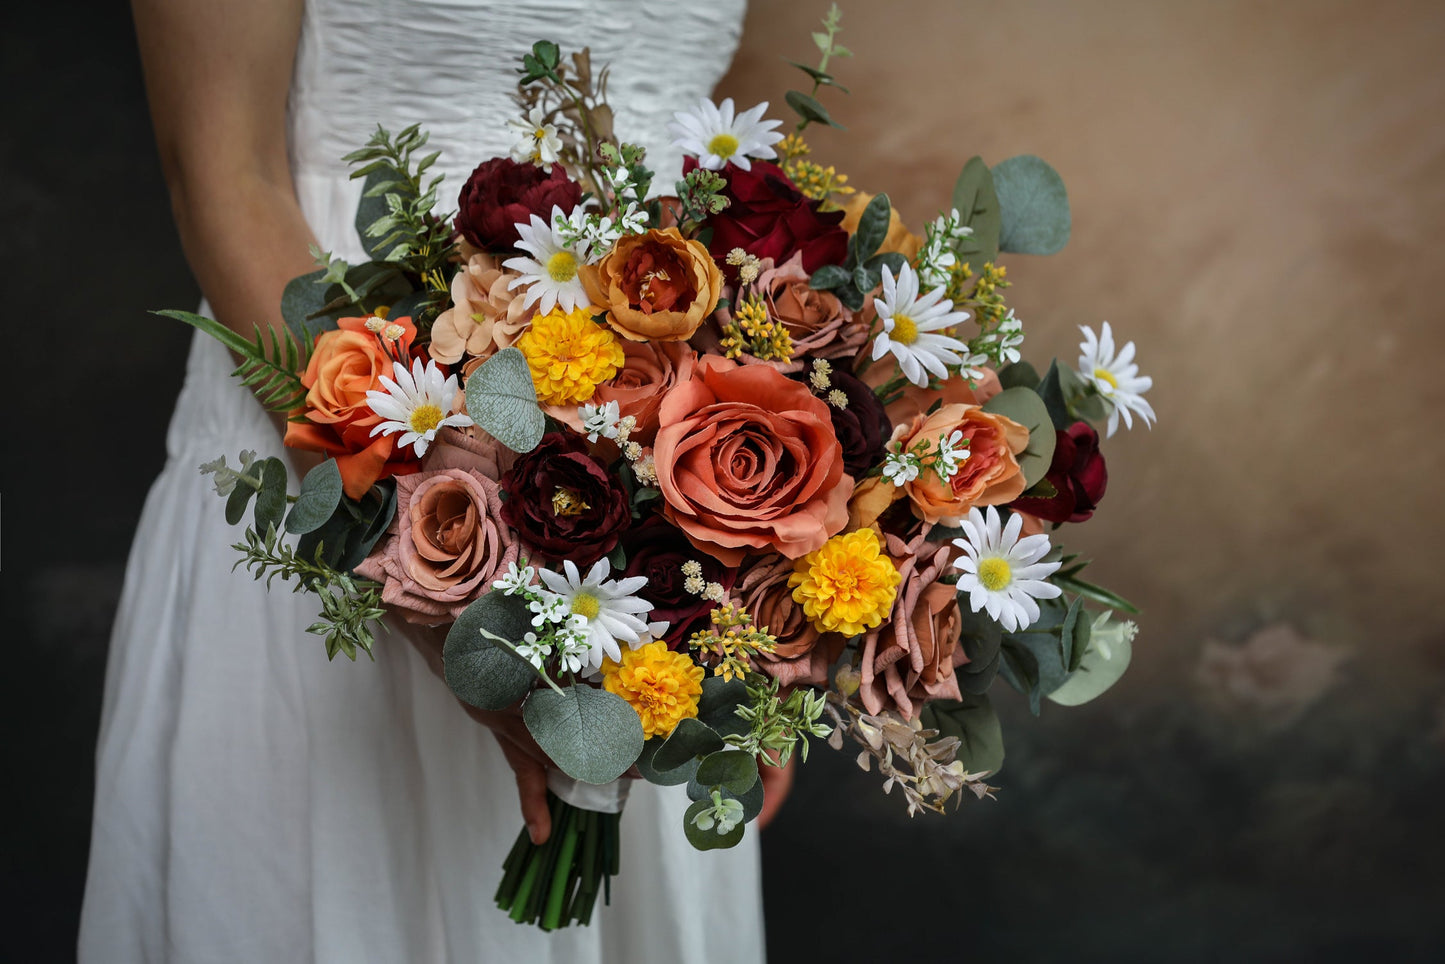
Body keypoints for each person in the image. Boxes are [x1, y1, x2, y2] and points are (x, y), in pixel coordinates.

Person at [81, 1, 784, 960]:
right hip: (337, 430)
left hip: (648, 461)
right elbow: (220, 172)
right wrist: (432, 566)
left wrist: (764, 612)